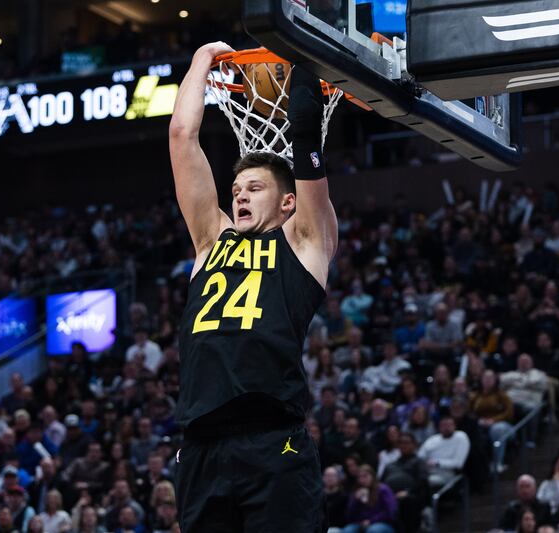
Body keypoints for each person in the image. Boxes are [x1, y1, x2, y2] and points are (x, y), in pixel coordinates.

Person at [170, 41, 338, 533]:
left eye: (255, 189)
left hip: (273, 439)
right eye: (236, 190)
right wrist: (201, 58)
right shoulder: (210, 241)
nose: (239, 195)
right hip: (201, 445)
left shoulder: (306, 242)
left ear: (288, 203)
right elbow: (182, 136)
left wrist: (301, 45)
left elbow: (306, 134)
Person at [417, 416, 470, 488]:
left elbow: (458, 464)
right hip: (426, 471)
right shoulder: (433, 439)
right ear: (439, 427)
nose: (446, 428)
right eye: (444, 425)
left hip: (447, 474)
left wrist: (436, 463)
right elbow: (419, 456)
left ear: (454, 426)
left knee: (421, 481)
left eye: (449, 425)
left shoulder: (460, 437)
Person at [342, 465, 397, 533]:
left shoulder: (383, 489)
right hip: (360, 523)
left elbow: (390, 512)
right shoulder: (357, 491)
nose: (362, 480)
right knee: (348, 530)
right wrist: (355, 501)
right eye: (360, 477)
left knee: (373, 530)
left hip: (383, 523)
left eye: (365, 476)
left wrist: (371, 521)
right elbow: (349, 516)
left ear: (373, 476)